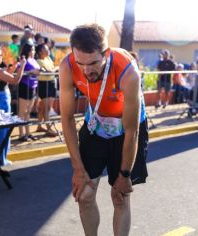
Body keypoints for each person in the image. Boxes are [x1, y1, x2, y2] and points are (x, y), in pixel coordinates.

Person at [59, 23, 148, 236]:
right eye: (81, 63)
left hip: (125, 130)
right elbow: (67, 118)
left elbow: (131, 131)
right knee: (85, 195)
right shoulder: (67, 66)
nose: (87, 70)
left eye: (93, 63)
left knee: (120, 197)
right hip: (96, 125)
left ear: (106, 53)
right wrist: (78, 169)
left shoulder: (128, 72)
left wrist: (125, 174)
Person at [0, 38, 26, 165]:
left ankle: (1, 158)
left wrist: (12, 69)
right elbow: (15, 80)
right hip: (1, 99)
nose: (1, 57)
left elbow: (6, 77)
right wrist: (23, 65)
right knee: (3, 131)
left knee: (2, 130)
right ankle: (0, 159)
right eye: (0, 55)